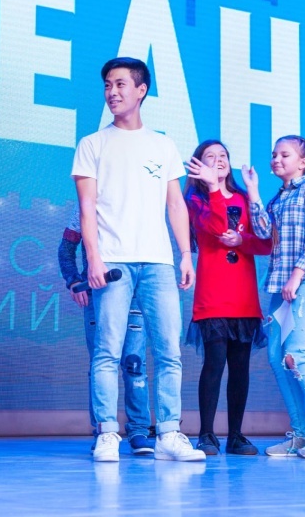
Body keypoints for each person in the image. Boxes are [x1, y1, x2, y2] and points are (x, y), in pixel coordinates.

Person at [71, 57, 204, 462]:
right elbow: (86, 207)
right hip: (114, 261)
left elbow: (176, 205)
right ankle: (107, 433)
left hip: (158, 263)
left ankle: (169, 434)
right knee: (107, 351)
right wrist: (93, 258)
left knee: (168, 352)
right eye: (107, 85)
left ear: (141, 90)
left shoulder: (163, 145)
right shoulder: (92, 144)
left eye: (120, 84)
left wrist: (185, 254)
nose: (112, 92)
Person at [242, 135, 305, 459]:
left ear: (303, 162)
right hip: (282, 287)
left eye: (284, 154)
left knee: (296, 354)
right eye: (274, 154)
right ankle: (301, 435)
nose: (276, 159)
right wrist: (253, 191)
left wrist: (297, 274)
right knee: (276, 358)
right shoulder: (278, 199)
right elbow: (263, 232)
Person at [183, 140, 272, 456]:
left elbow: (266, 243)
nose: (218, 160)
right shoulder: (195, 199)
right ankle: (206, 434)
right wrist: (213, 188)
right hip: (213, 293)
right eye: (210, 156)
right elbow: (216, 226)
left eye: (223, 155)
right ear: (199, 165)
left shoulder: (244, 198)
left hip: (244, 295)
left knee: (240, 367)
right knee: (214, 364)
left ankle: (236, 435)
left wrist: (242, 240)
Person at [58, 206, 155, 454]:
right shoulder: (86, 207)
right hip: (98, 292)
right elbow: (66, 249)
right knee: (102, 363)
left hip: (134, 294)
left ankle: (139, 431)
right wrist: (74, 280)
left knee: (134, 363)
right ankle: (103, 431)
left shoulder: (137, 203)